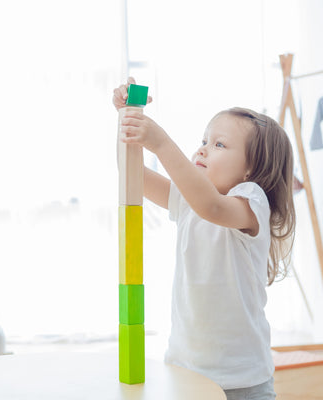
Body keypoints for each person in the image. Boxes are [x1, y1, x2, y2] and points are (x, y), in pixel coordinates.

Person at [113, 78, 295, 400]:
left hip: (242, 382)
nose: (202, 149)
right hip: (186, 372)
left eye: (219, 145)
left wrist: (161, 143)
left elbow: (211, 206)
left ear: (251, 169)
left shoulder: (251, 200)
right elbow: (133, 175)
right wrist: (127, 119)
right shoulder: (188, 199)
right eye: (203, 141)